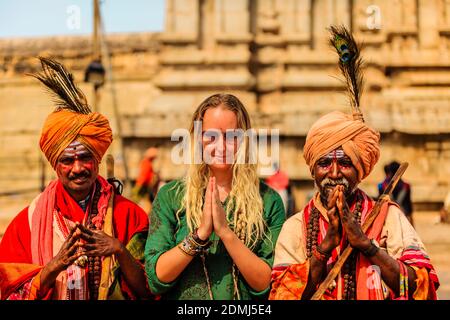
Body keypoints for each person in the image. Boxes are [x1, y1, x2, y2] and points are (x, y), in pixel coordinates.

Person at [269, 26, 439, 300]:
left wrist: (367, 246)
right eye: (324, 163)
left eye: (345, 163)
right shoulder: (295, 228)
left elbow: (424, 289)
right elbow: (280, 296)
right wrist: (326, 246)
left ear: (360, 170)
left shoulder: (388, 218)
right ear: (313, 169)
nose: (334, 173)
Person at [0, 57, 151, 300]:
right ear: (55, 165)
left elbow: (149, 291)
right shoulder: (24, 226)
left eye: (85, 158)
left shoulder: (128, 217)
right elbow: (8, 293)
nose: (78, 168)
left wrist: (120, 251)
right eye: (67, 161)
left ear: (98, 159)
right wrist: (52, 267)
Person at [144, 93, 286, 299]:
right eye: (211, 136)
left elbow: (268, 282)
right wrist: (200, 235)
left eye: (231, 136)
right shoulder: (172, 196)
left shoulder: (268, 200)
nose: (221, 146)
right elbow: (156, 278)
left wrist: (225, 233)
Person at [378, 161, 414, 227]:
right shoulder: (406, 186)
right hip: (403, 216)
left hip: (388, 217)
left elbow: (380, 204)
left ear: (389, 172)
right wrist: (412, 225)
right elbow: (409, 206)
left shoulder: (381, 185)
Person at [131, 147, 160, 212]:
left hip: (144, 185)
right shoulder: (146, 163)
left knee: (144, 201)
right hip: (142, 186)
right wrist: (140, 186)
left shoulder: (147, 163)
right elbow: (144, 176)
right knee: (139, 201)